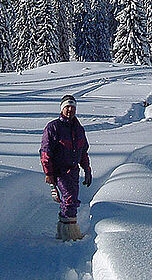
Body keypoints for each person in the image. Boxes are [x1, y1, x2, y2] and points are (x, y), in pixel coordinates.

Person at [40, 94, 92, 241]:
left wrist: (87, 168)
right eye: (67, 107)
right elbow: (45, 152)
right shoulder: (53, 127)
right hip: (60, 171)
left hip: (74, 171)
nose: (70, 110)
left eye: (73, 107)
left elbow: (83, 151)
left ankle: (65, 230)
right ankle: (68, 234)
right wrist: (49, 174)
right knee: (69, 200)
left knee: (72, 200)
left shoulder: (79, 129)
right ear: (62, 108)